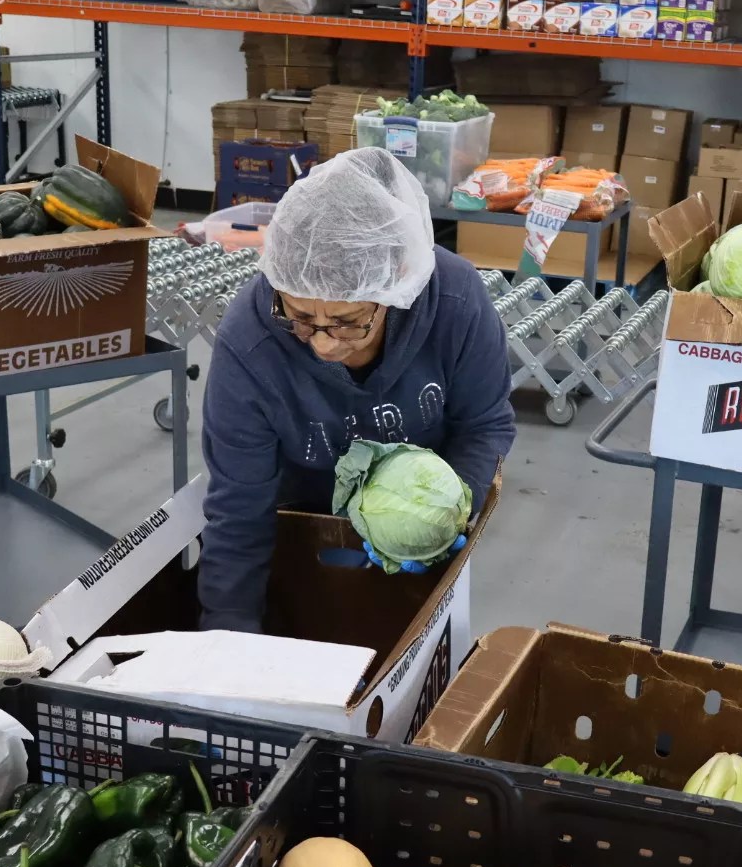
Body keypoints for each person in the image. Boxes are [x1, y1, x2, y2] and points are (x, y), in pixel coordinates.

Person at [197, 147, 516, 632]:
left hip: (413, 530)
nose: (324, 344)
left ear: (396, 288)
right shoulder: (250, 341)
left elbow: (484, 424)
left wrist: (443, 519)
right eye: (301, 319)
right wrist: (226, 630)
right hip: (301, 529)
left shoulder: (455, 301)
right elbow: (238, 511)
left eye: (349, 323)